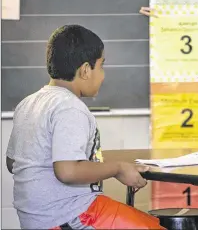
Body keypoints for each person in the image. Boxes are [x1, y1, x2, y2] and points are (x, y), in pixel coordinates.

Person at [6, 25, 165, 229]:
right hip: (68, 216)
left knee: (147, 221)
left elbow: (13, 163)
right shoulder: (70, 107)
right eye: (101, 66)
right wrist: (118, 168)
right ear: (85, 70)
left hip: (36, 218)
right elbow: (68, 172)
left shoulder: (28, 103)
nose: (103, 75)